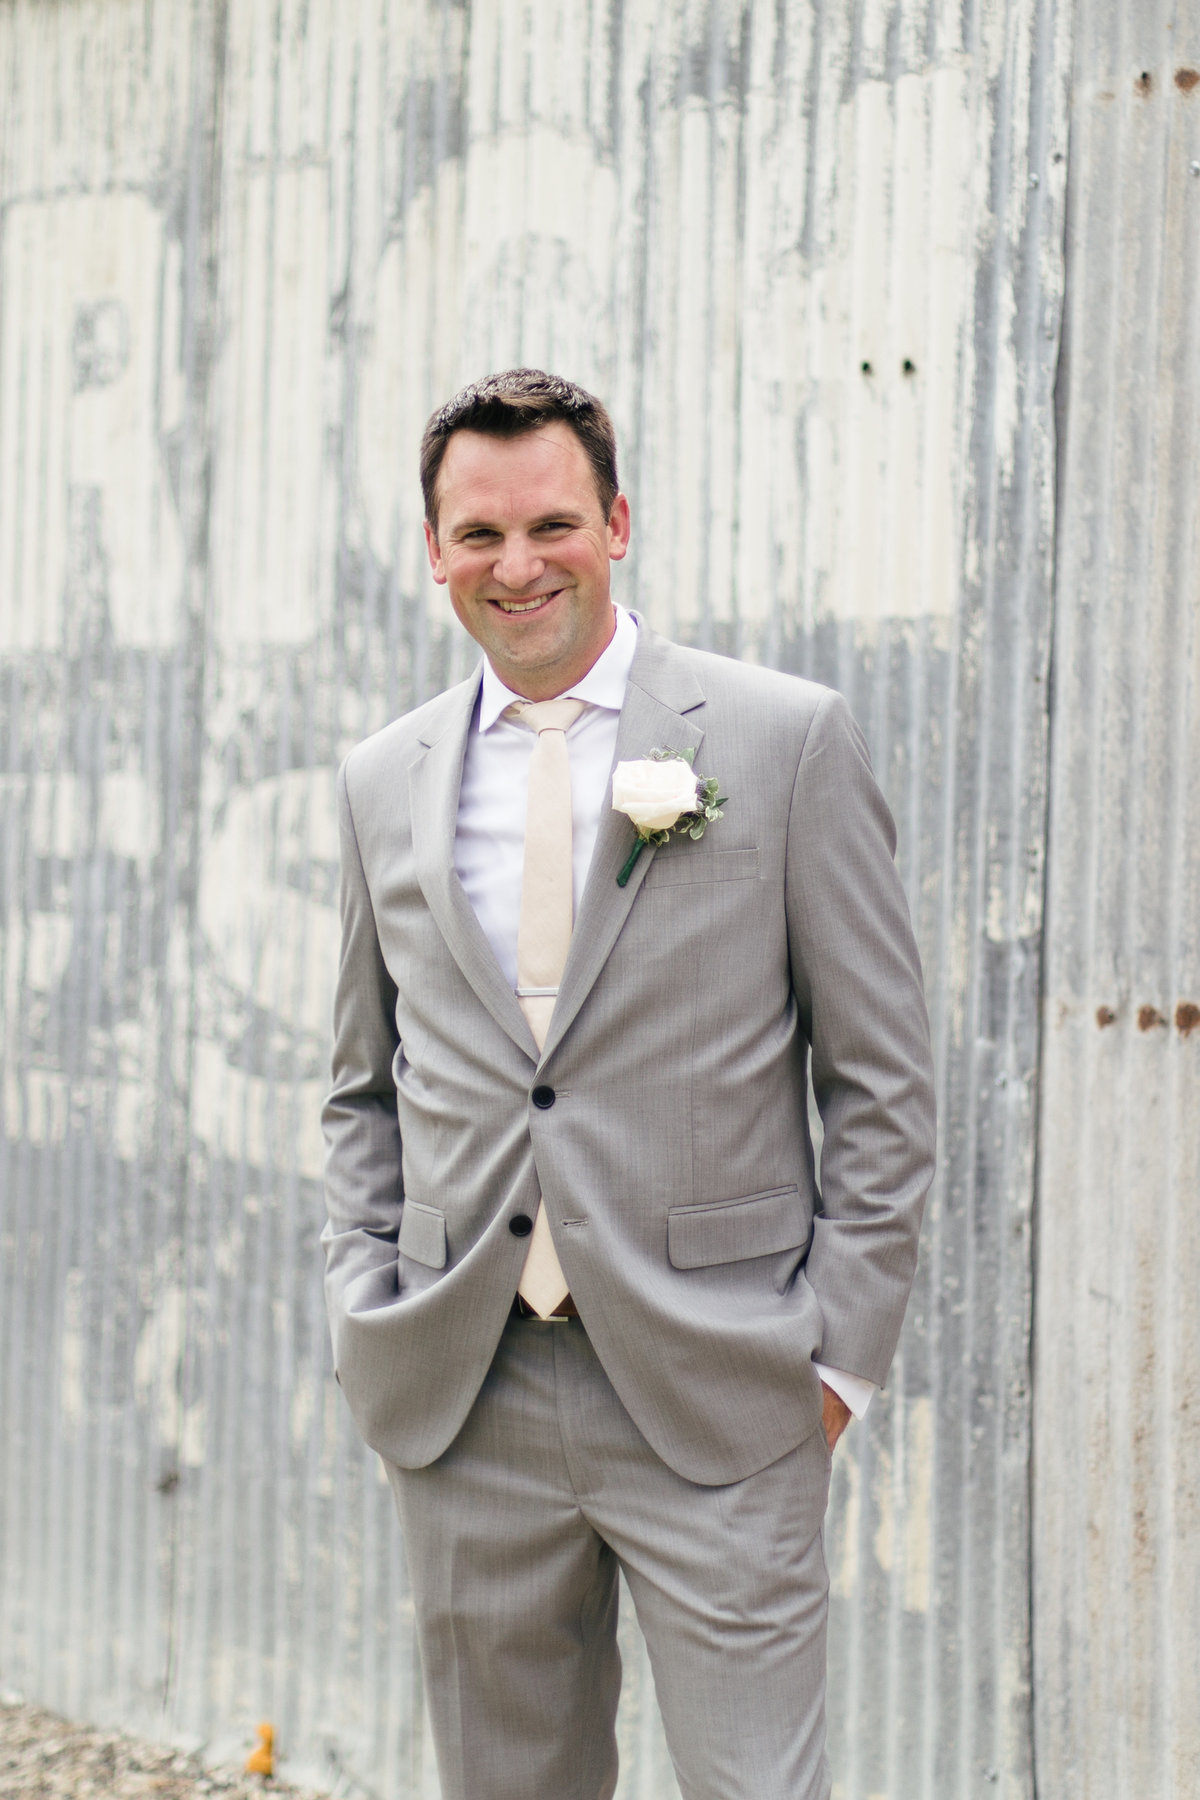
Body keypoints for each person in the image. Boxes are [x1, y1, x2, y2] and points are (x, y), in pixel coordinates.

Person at [321, 368, 936, 1800]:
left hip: (725, 1387)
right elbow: (360, 1083)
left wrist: (836, 1361)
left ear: (618, 523)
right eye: (478, 535)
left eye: (552, 524)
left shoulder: (783, 740)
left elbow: (884, 1080)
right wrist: (367, 1303)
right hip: (466, 1392)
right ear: (433, 550)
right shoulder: (382, 778)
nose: (517, 565)